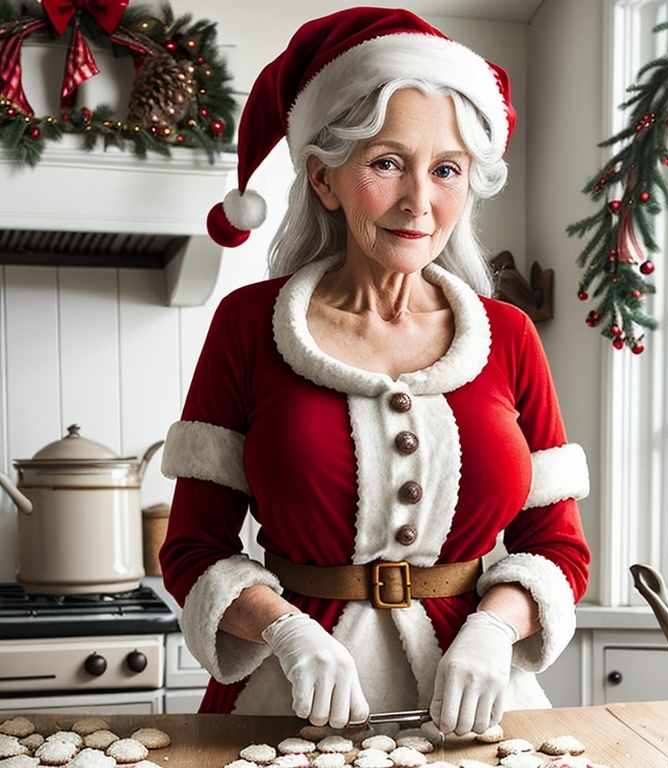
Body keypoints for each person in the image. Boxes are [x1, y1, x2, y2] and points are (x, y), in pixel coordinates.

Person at [159, 6, 591, 737]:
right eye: (386, 162)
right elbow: (194, 548)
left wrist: (492, 632)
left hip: (479, 707)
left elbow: (558, 547)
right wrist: (284, 633)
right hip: (287, 703)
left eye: (446, 170)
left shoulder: (508, 336)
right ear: (323, 179)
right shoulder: (248, 326)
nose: (419, 202)